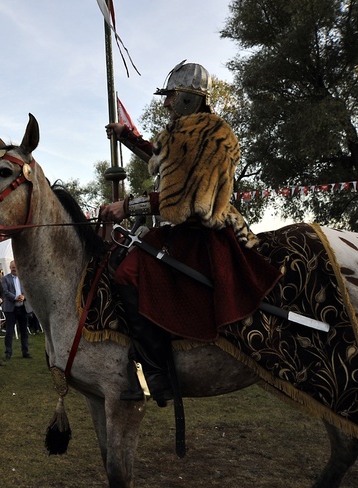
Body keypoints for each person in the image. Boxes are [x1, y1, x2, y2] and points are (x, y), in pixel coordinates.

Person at [101, 61, 280, 404]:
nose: (166, 103)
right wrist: (127, 137)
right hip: (189, 228)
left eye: (170, 96)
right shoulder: (201, 129)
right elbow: (163, 157)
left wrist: (126, 207)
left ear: (186, 97)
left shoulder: (198, 132)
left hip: (195, 232)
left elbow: (179, 201)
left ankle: (156, 374)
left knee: (126, 273)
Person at [1, 260, 33, 359]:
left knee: (24, 331)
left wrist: (23, 296)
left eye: (16, 266)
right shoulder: (5, 278)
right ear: (10, 267)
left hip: (23, 307)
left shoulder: (24, 278)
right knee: (9, 332)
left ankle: (25, 352)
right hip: (11, 308)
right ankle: (8, 353)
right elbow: (5, 291)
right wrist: (15, 297)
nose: (15, 268)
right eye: (13, 267)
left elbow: (29, 290)